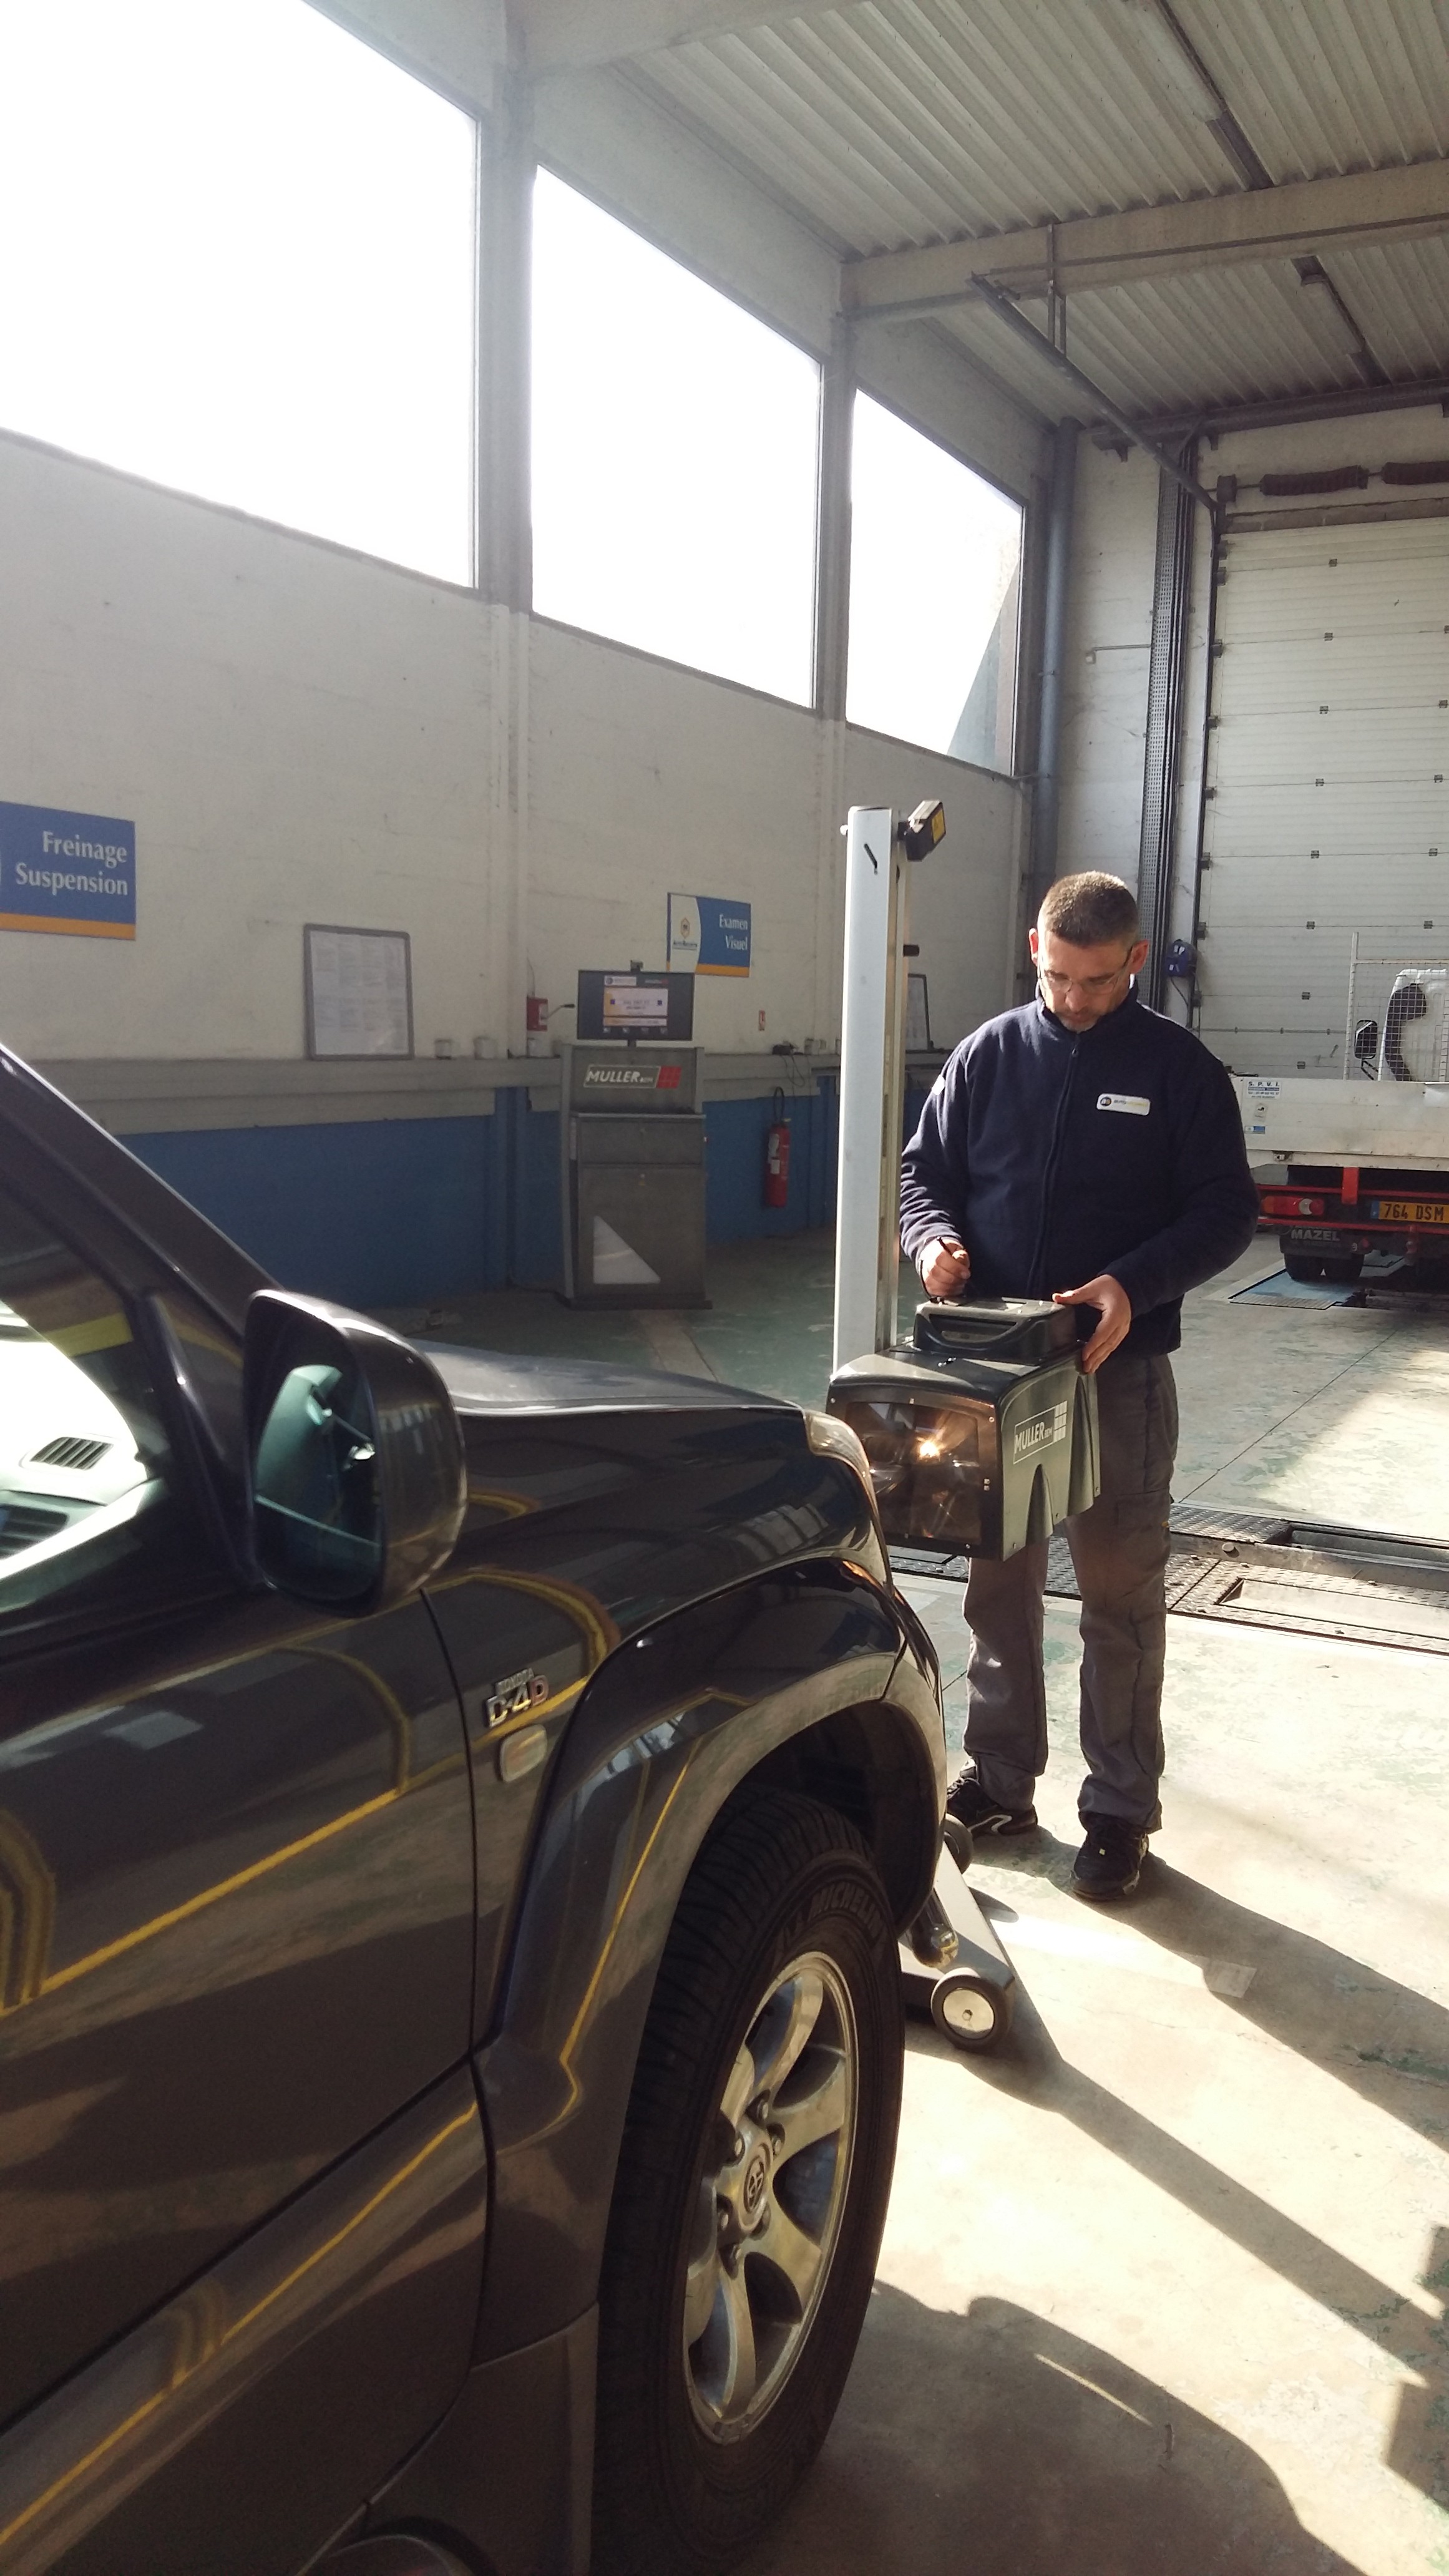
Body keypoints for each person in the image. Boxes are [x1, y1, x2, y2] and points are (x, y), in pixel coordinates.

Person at [899, 872, 1258, 1901]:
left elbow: (1226, 1210)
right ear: (1033, 949)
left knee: (1119, 1597)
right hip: (996, 1375)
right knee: (997, 1585)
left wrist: (1131, 1287)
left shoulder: (1179, 1072)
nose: (1073, 999)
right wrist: (933, 1241)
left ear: (1134, 961)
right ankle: (1003, 1778)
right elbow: (926, 1173)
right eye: (1056, 976)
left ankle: (1117, 1809)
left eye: (1097, 981)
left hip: (1114, 1375)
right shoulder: (986, 1054)